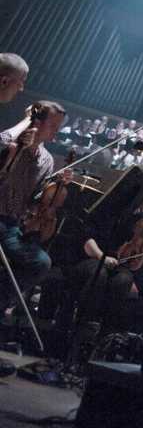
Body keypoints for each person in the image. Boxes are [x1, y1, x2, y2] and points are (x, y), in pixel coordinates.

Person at [0, 101, 71, 307]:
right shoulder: (14, 143)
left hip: (11, 226)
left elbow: (34, 202)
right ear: (37, 123)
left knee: (41, 262)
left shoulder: (47, 160)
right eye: (53, 126)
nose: (56, 133)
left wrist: (57, 188)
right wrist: (21, 145)